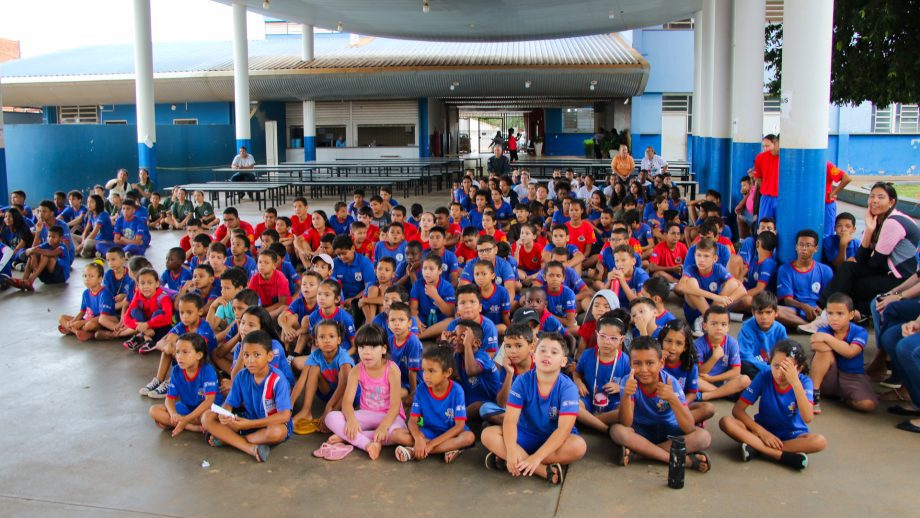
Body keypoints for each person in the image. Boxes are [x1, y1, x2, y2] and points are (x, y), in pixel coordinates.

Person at [805, 182, 920, 330]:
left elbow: (875, 262)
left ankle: (826, 314)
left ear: (891, 202)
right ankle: (831, 314)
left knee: (851, 281)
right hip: (887, 272)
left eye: (880, 197)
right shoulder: (877, 221)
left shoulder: (893, 222)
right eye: (872, 196)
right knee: (849, 269)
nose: (874, 201)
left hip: (903, 279)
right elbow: (861, 259)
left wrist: (870, 232)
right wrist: (870, 229)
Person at [481, 333, 587, 485]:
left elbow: (563, 430)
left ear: (563, 361)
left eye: (554, 352)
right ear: (534, 356)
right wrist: (511, 450)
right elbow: (510, 420)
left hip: (554, 439)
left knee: (579, 446)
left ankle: (515, 460)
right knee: (488, 434)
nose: (547, 355)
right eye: (542, 350)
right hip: (525, 434)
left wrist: (535, 457)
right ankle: (542, 470)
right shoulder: (522, 381)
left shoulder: (568, 387)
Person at [608, 336, 711, 473]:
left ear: (661, 363)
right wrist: (626, 395)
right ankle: (682, 460)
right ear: (630, 364)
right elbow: (626, 423)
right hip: (641, 432)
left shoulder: (671, 382)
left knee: (704, 437)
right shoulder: (629, 381)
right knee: (617, 431)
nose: (644, 369)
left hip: (669, 432)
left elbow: (688, 427)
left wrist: (673, 399)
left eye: (650, 363)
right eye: (637, 363)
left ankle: (640, 455)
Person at [719, 340, 826, 470]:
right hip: (762, 430)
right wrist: (762, 432)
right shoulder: (764, 376)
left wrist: (796, 384)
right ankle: (779, 455)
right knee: (726, 422)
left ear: (799, 369)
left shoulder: (805, 382)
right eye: (776, 366)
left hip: (792, 435)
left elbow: (808, 418)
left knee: (819, 441)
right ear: (770, 363)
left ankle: (758, 448)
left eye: (787, 368)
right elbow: (738, 410)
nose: (780, 373)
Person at [321, 324, 407, 461]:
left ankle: (349, 437)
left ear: (384, 349)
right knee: (331, 418)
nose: (366, 352)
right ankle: (368, 444)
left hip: (391, 417)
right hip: (367, 414)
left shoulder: (392, 370)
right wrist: (351, 420)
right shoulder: (356, 370)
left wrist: (383, 427)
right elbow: (347, 402)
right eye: (361, 347)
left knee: (396, 434)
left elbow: (395, 406)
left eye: (372, 347)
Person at [202, 330, 291, 463]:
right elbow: (229, 404)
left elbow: (285, 416)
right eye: (246, 355)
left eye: (257, 355)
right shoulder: (241, 376)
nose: (250, 360)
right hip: (247, 420)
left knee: (277, 432)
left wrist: (249, 425)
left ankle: (229, 440)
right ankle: (250, 448)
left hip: (269, 424)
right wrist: (224, 413)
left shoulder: (278, 379)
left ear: (269, 356)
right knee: (207, 417)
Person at [391, 344, 477, 463]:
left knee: (469, 437)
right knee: (396, 435)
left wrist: (431, 444)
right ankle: (447, 449)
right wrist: (418, 438)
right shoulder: (421, 389)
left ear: (447, 373)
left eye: (431, 371)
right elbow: (412, 421)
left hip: (451, 433)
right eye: (424, 371)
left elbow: (459, 426)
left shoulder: (457, 391)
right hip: (428, 431)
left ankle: (413, 451)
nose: (425, 376)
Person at [809, 292, 877, 414]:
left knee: (868, 404)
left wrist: (828, 339)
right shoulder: (824, 329)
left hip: (852, 376)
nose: (834, 318)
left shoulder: (859, 331)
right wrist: (836, 345)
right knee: (824, 351)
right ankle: (814, 394)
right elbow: (815, 343)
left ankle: (844, 399)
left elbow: (851, 352)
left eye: (840, 314)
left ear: (851, 315)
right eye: (830, 313)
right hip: (828, 375)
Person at [148, 333, 222, 436]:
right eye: (177, 352)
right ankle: (192, 427)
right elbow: (169, 398)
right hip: (187, 407)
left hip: (206, 409)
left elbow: (209, 401)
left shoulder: (207, 370)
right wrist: (173, 414)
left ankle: (182, 423)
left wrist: (186, 418)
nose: (179, 356)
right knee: (154, 410)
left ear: (199, 355)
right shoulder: (176, 370)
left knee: (206, 418)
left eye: (185, 352)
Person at [290, 320, 354, 435]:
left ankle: (333, 413)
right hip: (329, 393)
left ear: (339, 340)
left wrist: (329, 409)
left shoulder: (343, 356)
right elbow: (301, 381)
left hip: (347, 396)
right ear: (316, 342)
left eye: (331, 336)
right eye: (322, 337)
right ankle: (306, 410)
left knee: (345, 375)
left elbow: (345, 385)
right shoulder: (315, 355)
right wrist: (288, 407)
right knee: (314, 368)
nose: (327, 340)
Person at [776, 230, 834, 329]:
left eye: (808, 245)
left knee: (854, 315)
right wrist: (803, 306)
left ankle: (817, 324)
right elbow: (787, 300)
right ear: (796, 247)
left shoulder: (825, 270)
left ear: (816, 248)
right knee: (774, 311)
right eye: (801, 244)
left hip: (819, 311)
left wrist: (822, 309)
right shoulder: (785, 269)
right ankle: (808, 326)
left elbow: (830, 297)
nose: (803, 248)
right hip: (796, 310)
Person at [694, 306, 751, 401]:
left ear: (728, 327)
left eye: (723, 324)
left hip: (722, 380)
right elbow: (700, 372)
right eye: (714, 324)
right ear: (704, 326)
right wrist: (714, 357)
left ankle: (707, 396)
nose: (719, 328)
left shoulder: (732, 343)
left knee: (745, 380)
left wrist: (713, 379)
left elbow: (736, 371)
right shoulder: (698, 344)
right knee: (693, 380)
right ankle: (726, 393)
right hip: (703, 381)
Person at [57, 262, 118, 341]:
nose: (87, 279)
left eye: (91, 276)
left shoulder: (105, 293)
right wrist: (73, 321)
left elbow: (102, 317)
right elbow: (82, 312)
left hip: (101, 321)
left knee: (89, 325)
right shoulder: (86, 293)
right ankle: (76, 331)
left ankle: (76, 331)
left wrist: (81, 323)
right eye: (85, 276)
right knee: (61, 317)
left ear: (100, 279)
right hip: (87, 318)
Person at [738, 292, 788, 379]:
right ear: (753, 313)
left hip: (774, 366)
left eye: (768, 312)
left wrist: (777, 367)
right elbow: (745, 356)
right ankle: (768, 380)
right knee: (742, 365)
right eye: (760, 313)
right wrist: (768, 369)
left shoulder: (780, 329)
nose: (764, 317)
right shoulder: (746, 329)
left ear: (776, 312)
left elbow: (786, 352)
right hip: (756, 366)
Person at [752, 134, 779, 221]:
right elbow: (758, 177)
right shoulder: (760, 158)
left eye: (767, 146)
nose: (765, 148)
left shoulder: (789, 158)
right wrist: (767, 187)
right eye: (763, 146)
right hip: (766, 197)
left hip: (782, 198)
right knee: (764, 223)